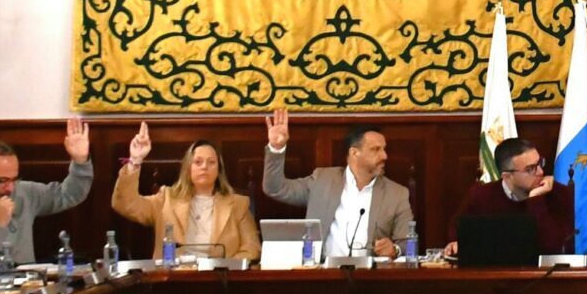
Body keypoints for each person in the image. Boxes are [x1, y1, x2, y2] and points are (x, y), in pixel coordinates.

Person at [262, 111, 414, 258]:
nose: (384, 156)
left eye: (384, 149)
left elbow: (408, 242)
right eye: (376, 150)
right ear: (354, 153)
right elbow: (276, 188)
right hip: (324, 270)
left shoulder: (397, 194)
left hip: (370, 272)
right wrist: (276, 148)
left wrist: (394, 249)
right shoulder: (322, 180)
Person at [0, 122, 96, 268]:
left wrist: (80, 161)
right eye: (2, 180)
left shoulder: (24, 192)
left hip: (28, 280)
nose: (10, 188)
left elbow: (68, 195)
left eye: (14, 179)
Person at [113, 123, 260, 261]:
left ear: (219, 170)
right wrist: (135, 161)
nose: (204, 167)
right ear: (188, 168)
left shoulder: (238, 205)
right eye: (198, 162)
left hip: (220, 277)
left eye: (211, 162)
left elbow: (252, 248)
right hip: (173, 276)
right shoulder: (166, 199)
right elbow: (125, 204)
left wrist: (221, 268)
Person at [452, 136, 578, 256]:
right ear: (507, 176)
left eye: (540, 163)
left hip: (543, 270)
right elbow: (457, 229)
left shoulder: (559, 193)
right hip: (495, 268)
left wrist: (535, 200)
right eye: (530, 169)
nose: (541, 172)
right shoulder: (481, 195)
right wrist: (454, 243)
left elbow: (554, 247)